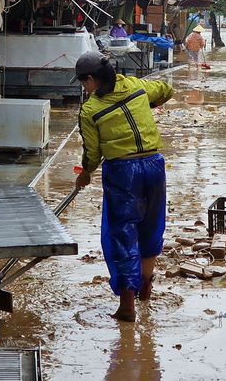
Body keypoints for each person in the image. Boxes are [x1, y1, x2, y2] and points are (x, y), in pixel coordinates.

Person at [74, 51, 173, 322]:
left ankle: (127, 304)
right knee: (152, 227)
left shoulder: (91, 109)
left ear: (92, 80)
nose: (84, 88)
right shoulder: (135, 86)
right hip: (154, 165)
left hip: (122, 171)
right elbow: (166, 90)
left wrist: (85, 174)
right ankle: (146, 284)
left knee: (122, 233)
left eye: (84, 83)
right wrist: (144, 104)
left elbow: (92, 154)